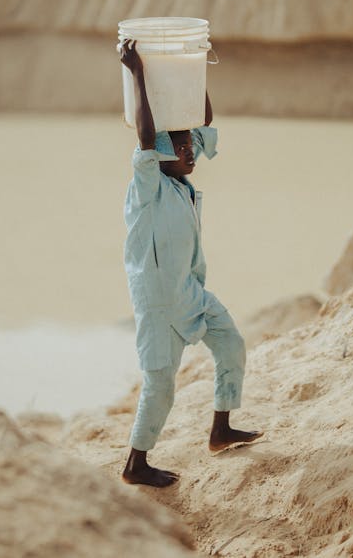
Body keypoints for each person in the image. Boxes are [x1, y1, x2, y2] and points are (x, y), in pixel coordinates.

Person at [120, 39, 263, 488]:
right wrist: (139, 72)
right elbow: (146, 136)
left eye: (189, 147)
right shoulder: (147, 187)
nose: (190, 153)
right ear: (159, 156)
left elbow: (202, 120)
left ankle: (221, 430)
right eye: (181, 149)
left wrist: (194, 70)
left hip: (191, 291)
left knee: (231, 344)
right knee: (160, 387)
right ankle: (135, 464)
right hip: (160, 305)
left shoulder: (180, 179)